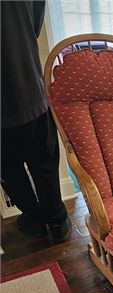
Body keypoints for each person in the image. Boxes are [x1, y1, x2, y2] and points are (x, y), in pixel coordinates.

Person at [1, 0, 71, 244]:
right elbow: (34, 25)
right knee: (44, 163)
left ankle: (33, 219)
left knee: (9, 170)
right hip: (28, 91)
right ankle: (57, 221)